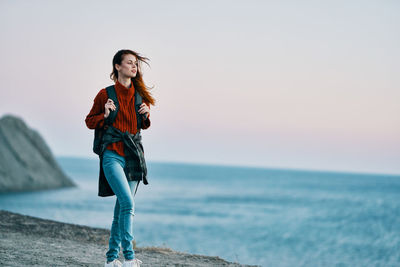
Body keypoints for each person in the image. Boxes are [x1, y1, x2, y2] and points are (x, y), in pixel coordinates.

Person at [85, 49, 155, 267]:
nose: (134, 67)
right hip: (112, 155)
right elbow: (89, 121)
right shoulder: (104, 94)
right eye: (129, 63)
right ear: (117, 66)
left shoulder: (139, 96)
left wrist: (146, 114)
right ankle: (130, 258)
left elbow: (142, 125)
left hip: (133, 156)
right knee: (127, 202)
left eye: (136, 64)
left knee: (121, 210)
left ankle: (111, 259)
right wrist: (104, 115)